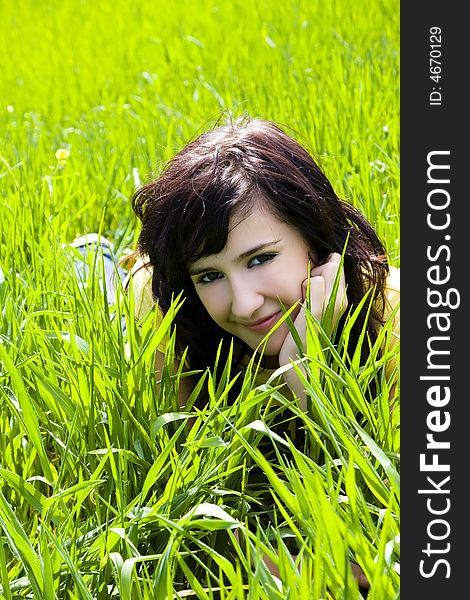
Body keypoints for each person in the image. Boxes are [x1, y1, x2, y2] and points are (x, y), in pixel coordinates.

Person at [127, 114, 400, 594]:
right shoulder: (167, 310)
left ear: (317, 241)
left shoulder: (396, 323)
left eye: (260, 259)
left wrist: (307, 373)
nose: (244, 302)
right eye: (210, 275)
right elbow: (181, 499)